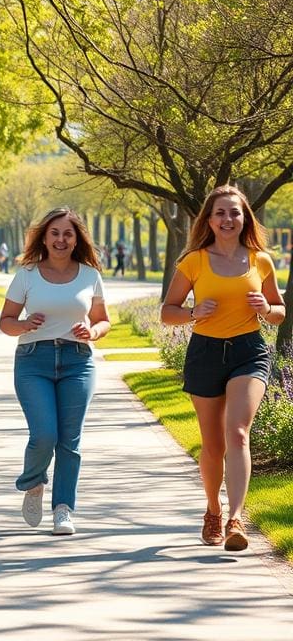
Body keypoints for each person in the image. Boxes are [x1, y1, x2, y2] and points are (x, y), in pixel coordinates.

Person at [160, 185, 285, 551]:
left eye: (234, 212)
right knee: (213, 445)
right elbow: (168, 312)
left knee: (239, 433)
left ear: (245, 216)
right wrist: (192, 312)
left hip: (249, 350)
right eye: (220, 213)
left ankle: (236, 517)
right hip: (205, 352)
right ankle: (213, 510)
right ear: (209, 220)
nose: (228, 219)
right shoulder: (194, 261)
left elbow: (279, 313)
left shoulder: (260, 260)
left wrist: (265, 308)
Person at [0, 207, 110, 536]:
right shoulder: (28, 274)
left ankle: (63, 508)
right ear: (44, 238)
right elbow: (5, 322)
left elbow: (103, 319)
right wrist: (22, 324)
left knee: (70, 441)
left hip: (78, 360)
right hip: (34, 359)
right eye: (55, 233)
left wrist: (95, 332)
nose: (61, 239)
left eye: (68, 234)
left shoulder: (89, 274)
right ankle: (33, 484)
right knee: (45, 434)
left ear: (77, 239)